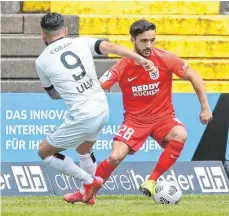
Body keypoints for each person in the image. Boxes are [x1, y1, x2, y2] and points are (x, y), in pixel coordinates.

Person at [79, 19, 213, 202]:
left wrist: (205, 107)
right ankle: (88, 194)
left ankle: (151, 181)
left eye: (152, 40)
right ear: (133, 40)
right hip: (135, 121)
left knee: (180, 134)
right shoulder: (123, 65)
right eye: (144, 41)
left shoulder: (165, 58)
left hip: (163, 118)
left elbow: (194, 76)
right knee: (113, 157)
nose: (149, 45)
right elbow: (99, 87)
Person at [35, 14, 155, 205]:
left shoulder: (41, 61)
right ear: (65, 31)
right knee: (84, 150)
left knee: (44, 152)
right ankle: (87, 196)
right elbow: (110, 47)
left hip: (83, 115)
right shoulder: (81, 42)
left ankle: (89, 181)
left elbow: (54, 94)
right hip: (102, 107)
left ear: (43, 35)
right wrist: (138, 59)